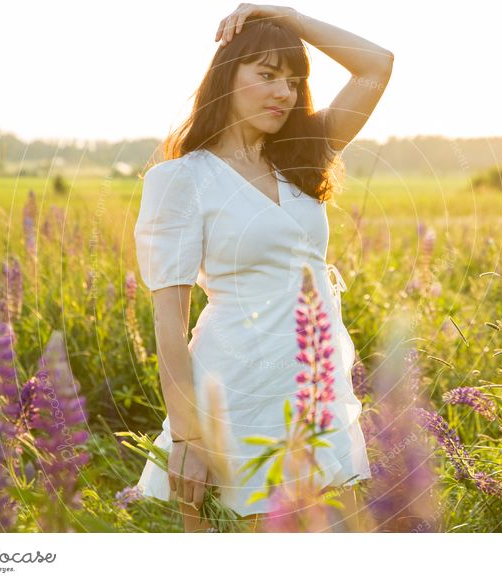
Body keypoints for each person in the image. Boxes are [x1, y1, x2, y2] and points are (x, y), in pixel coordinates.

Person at [134, 3, 393, 532]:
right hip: (233, 392)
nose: (285, 92)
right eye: (268, 75)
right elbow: (169, 322)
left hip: (313, 386)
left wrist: (289, 17)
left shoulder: (304, 156)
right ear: (227, 76)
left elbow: (376, 64)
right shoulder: (181, 179)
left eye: (294, 80)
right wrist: (186, 439)